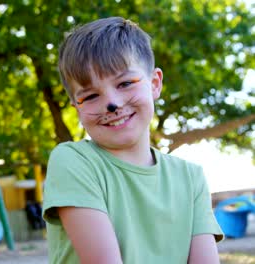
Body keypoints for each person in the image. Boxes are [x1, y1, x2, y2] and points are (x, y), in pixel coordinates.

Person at [42, 17, 223, 264]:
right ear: (76, 107)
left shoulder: (191, 178)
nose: (111, 104)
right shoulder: (73, 161)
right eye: (91, 95)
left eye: (125, 83)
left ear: (155, 83)